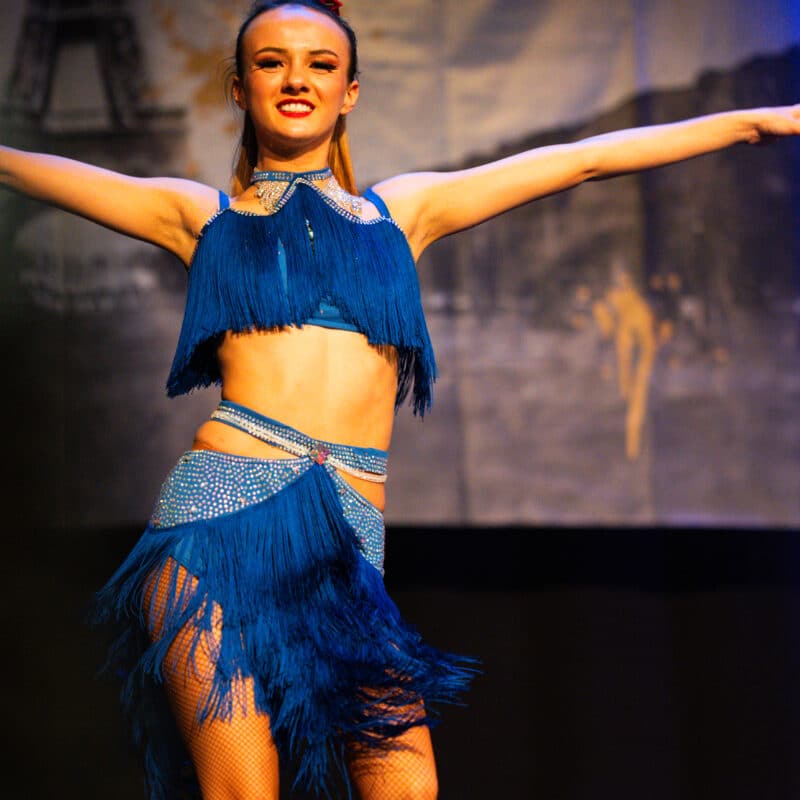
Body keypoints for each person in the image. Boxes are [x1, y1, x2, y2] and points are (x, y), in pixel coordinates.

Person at [2, 1, 799, 797]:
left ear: (350, 91)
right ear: (239, 87)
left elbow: (581, 161)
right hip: (216, 525)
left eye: (321, 64)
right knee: (242, 790)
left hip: (348, 546)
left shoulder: (402, 213)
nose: (296, 79)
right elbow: (19, 165)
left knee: (408, 786)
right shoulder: (199, 217)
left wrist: (760, 122)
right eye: (272, 62)